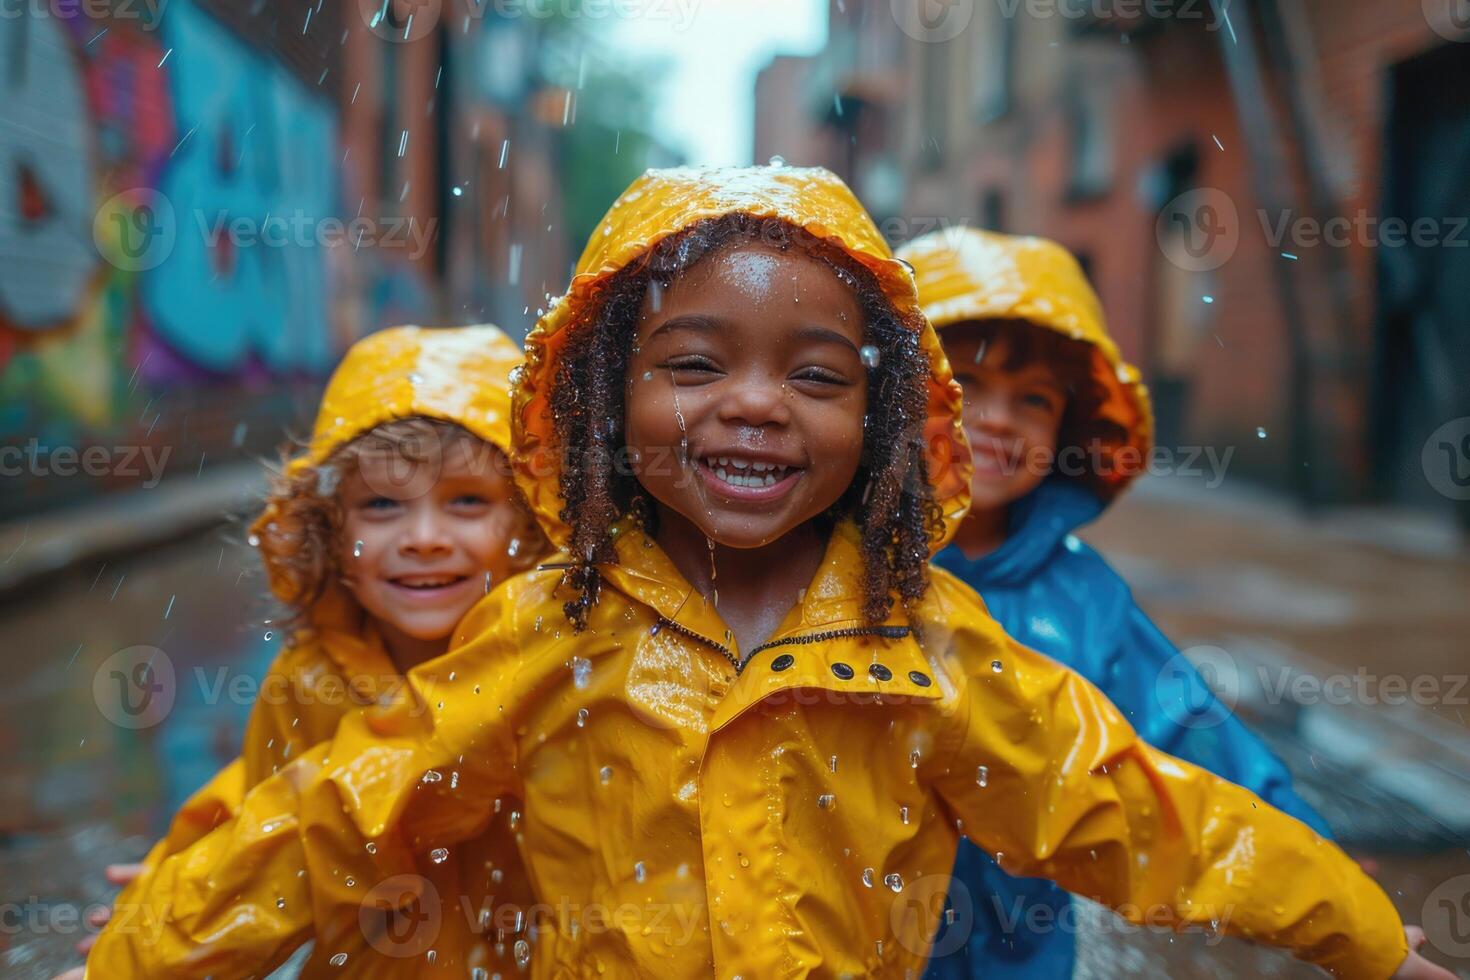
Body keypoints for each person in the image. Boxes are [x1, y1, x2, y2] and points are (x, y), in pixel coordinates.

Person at [89, 167, 1446, 979]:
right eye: (692, 365)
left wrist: (1360, 935)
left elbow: (1139, 811)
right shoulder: (541, 630)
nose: (754, 406)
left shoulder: (921, 643)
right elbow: (330, 814)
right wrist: (146, 942)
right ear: (604, 399)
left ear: (887, 424)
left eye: (813, 376)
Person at [900, 228, 1332, 979]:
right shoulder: (845, 567)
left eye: (1032, 400)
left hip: (1020, 945)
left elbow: (1186, 731)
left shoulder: (1084, 597)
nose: (998, 420)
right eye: (963, 385)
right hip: (861, 936)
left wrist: (1316, 860)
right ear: (896, 396)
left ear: (1066, 429)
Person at [73, 324, 546, 978]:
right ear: (328, 529)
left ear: (527, 521)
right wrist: (177, 879)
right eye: (382, 504)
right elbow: (272, 802)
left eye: (468, 501)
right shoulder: (310, 677)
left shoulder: (551, 669)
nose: (425, 537)